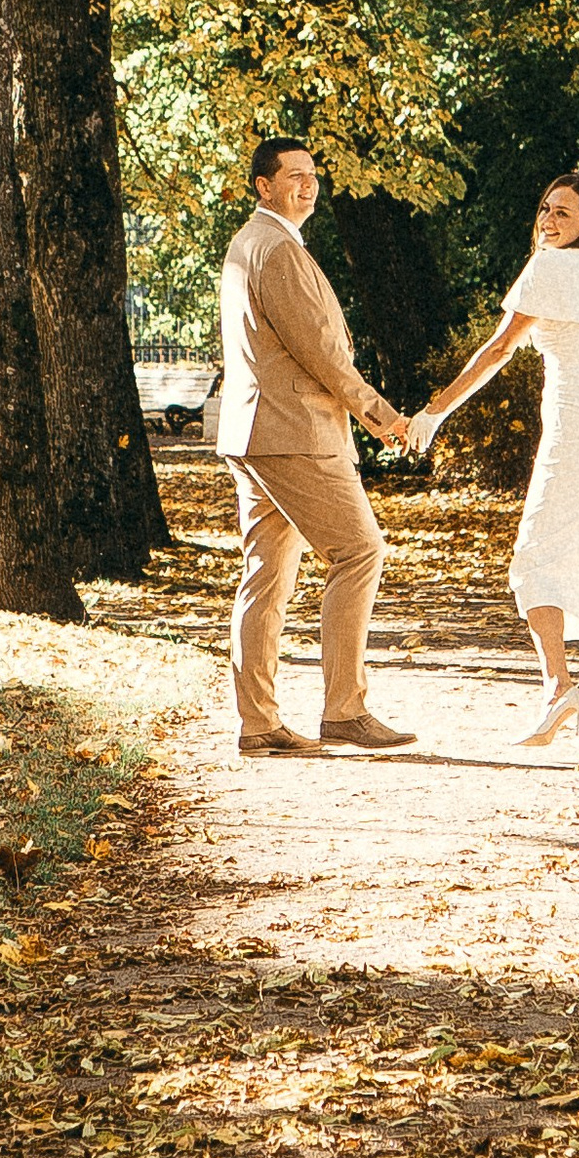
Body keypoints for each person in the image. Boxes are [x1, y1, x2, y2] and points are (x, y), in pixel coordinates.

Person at [422, 171, 579, 754]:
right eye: (545, 209)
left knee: (533, 558)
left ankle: (558, 688)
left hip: (578, 426)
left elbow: (498, 349)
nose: (547, 221)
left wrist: (434, 412)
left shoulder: (552, 267)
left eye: (563, 215)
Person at [218, 138, 422, 755]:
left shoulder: (253, 244)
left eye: (312, 176)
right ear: (263, 186)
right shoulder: (275, 249)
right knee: (360, 551)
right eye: (293, 177)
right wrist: (382, 415)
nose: (307, 186)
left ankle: (259, 724)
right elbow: (322, 354)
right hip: (294, 432)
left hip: (258, 431)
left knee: (267, 578)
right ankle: (344, 710)